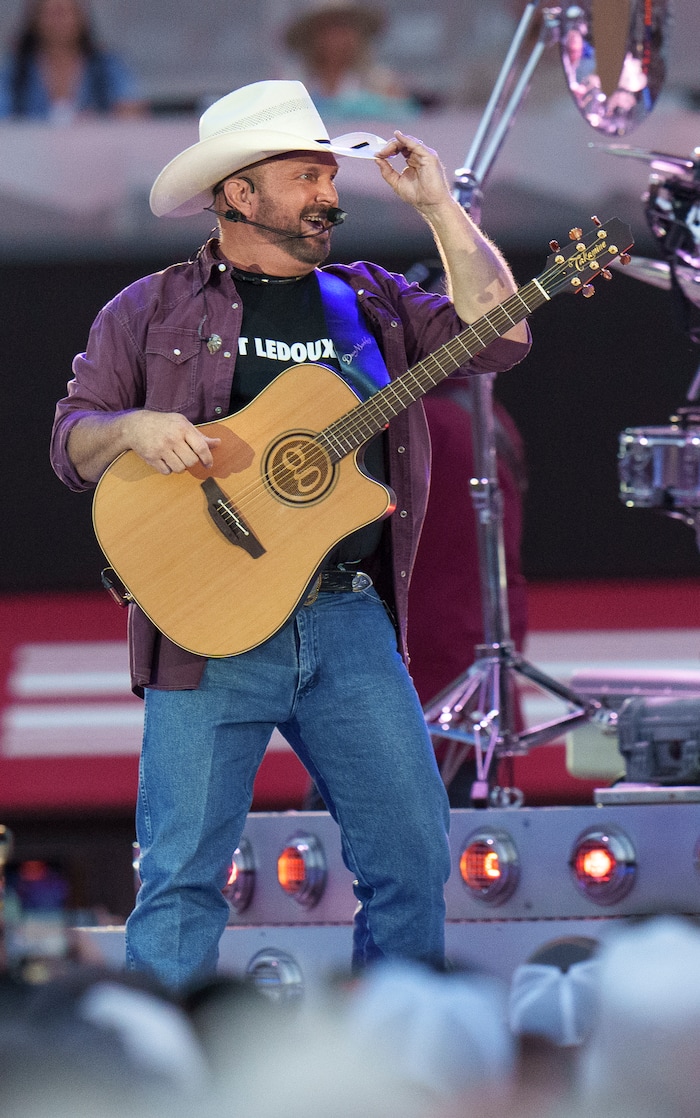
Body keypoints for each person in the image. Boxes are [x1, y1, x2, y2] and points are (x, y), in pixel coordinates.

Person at [50, 78, 530, 992]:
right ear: (238, 192)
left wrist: (440, 209)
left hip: (348, 618)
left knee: (412, 855)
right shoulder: (150, 309)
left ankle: (396, 1049)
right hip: (208, 627)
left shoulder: (371, 301)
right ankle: (166, 1059)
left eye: (329, 176)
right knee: (182, 878)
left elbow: (497, 338)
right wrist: (134, 429)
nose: (329, 194)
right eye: (306, 176)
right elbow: (72, 442)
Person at [0, 0, 145, 123]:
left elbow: (132, 109)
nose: (58, 21)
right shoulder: (16, 69)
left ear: (81, 17)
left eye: (64, 12)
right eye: (50, 13)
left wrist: (105, 120)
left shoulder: (106, 65)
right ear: (35, 19)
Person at [282, 2, 419, 119]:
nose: (336, 37)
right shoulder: (295, 83)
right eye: (327, 28)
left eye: (343, 27)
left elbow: (402, 120)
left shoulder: (381, 82)